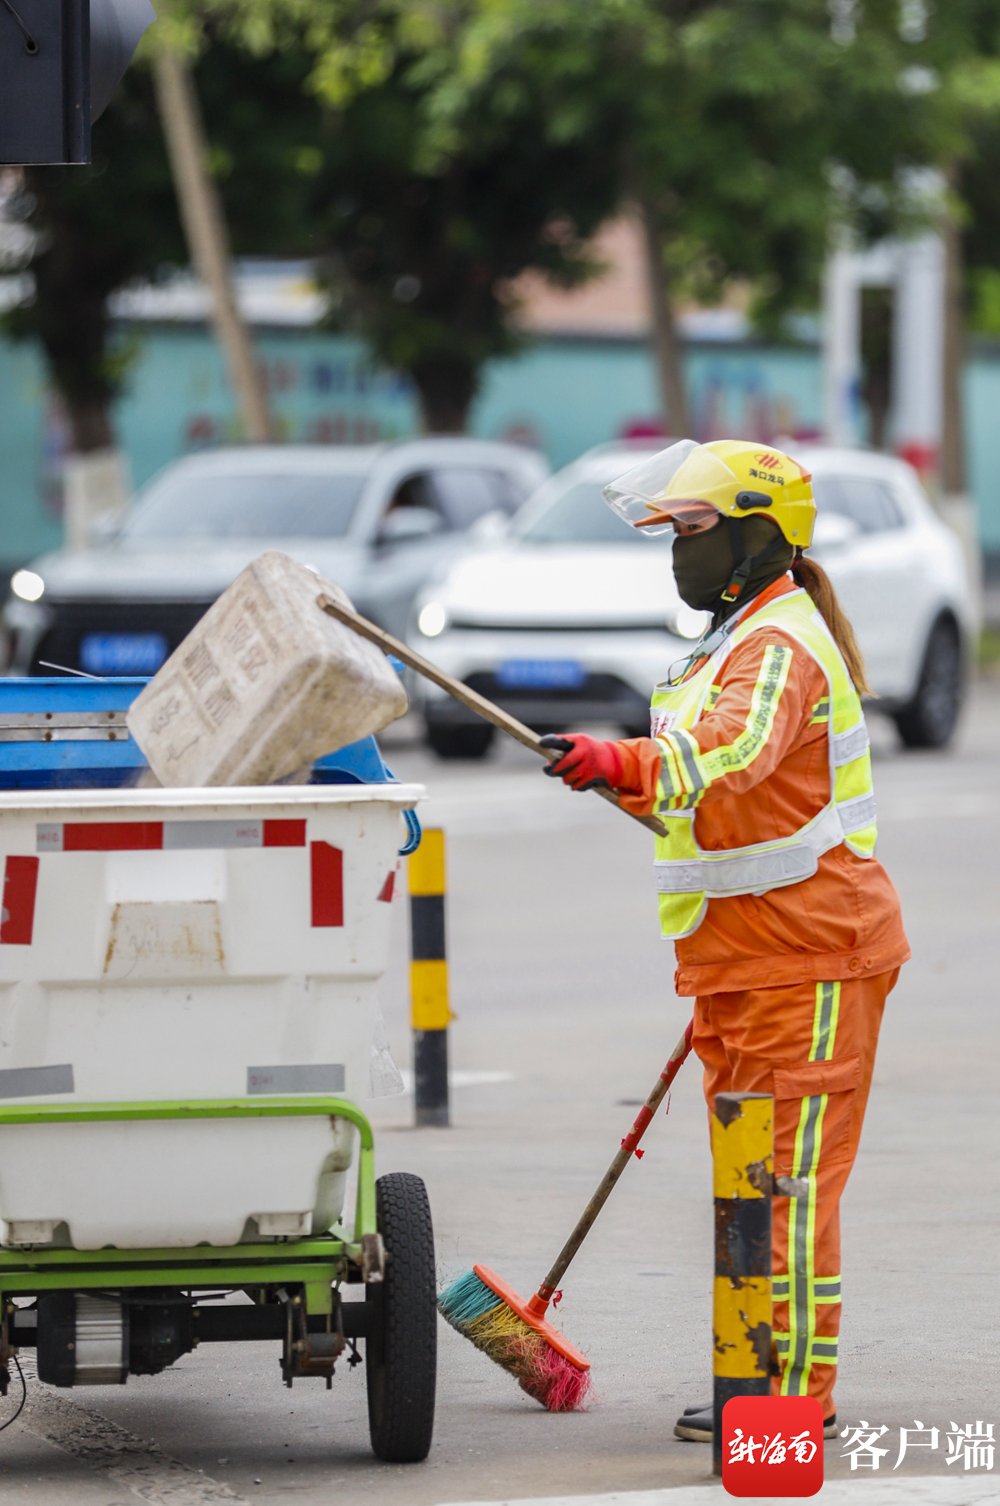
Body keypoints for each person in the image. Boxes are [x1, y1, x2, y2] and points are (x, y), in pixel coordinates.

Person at [540, 439, 909, 1442]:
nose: (678, 551)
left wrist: (626, 759)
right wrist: (621, 777)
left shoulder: (780, 643)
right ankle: (755, 1376)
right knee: (750, 1189)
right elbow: (710, 802)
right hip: (744, 960)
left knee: (784, 1193)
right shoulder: (727, 643)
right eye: (671, 532)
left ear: (759, 536)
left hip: (812, 955)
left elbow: (733, 751)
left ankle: (789, 1405)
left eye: (694, 529)